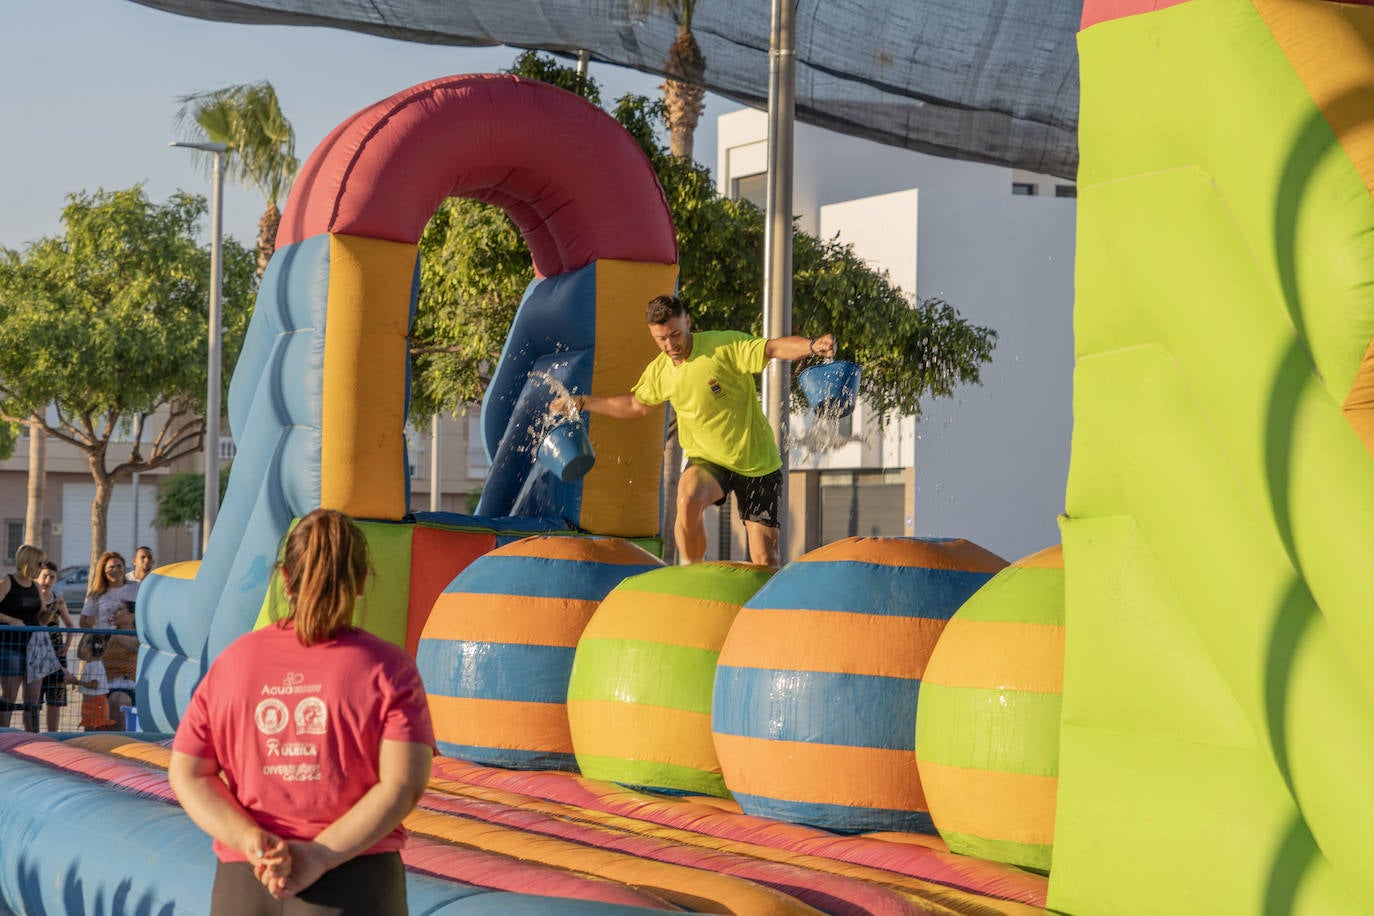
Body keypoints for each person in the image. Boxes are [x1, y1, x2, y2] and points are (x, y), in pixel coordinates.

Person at [170, 508, 435, 914]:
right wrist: (320, 855)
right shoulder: (387, 669)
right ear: (362, 581)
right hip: (353, 880)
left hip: (245, 884)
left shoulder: (233, 664)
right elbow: (402, 785)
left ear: (285, 578)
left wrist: (249, 839)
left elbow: (188, 772)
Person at [560, 295, 836, 566]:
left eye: (675, 335)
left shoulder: (721, 347)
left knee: (765, 559)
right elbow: (636, 406)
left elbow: (772, 348)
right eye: (661, 339)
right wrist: (582, 402)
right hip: (708, 460)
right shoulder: (660, 371)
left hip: (756, 462)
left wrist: (812, 345)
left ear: (688, 322)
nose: (670, 345)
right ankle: (692, 572)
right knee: (687, 497)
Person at [0, 545, 47, 729]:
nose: (43, 567)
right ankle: (4, 737)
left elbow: (42, 618)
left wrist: (51, 611)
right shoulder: (7, 582)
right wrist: (11, 620)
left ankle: (32, 738)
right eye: (40, 563)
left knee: (32, 700)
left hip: (34, 647)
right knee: (9, 697)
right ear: (29, 562)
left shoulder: (36, 586)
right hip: (10, 646)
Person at [34, 560, 77, 732]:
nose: (48, 580)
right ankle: (33, 733)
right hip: (36, 653)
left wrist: (67, 643)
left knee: (55, 699)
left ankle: (53, 735)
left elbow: (69, 623)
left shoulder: (58, 599)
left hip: (57, 653)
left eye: (52, 577)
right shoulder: (33, 596)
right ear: (38, 576)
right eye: (45, 576)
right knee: (34, 698)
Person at [79, 551, 139, 630]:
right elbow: (83, 622)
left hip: (128, 640)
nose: (116, 570)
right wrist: (94, 631)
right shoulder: (97, 594)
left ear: (124, 568)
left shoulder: (136, 588)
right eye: (111, 567)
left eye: (119, 566)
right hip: (104, 640)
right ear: (104, 571)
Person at [103, 600, 138, 727]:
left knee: (118, 701)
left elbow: (136, 646)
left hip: (127, 686)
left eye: (120, 610)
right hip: (104, 685)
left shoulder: (138, 635)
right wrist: (90, 629)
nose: (115, 613)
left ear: (132, 616)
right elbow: (82, 654)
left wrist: (116, 635)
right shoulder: (107, 635)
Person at [75, 633, 117, 731]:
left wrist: (76, 681)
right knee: (88, 727)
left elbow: (94, 685)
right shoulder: (90, 664)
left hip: (96, 703)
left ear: (89, 648)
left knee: (96, 728)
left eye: (84, 644)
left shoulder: (96, 665)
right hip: (89, 702)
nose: (82, 647)